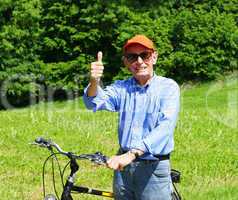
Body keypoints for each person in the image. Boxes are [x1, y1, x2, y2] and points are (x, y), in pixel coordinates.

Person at [83, 35, 180, 200]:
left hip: (153, 169)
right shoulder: (121, 88)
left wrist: (131, 155)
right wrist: (94, 81)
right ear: (126, 62)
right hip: (123, 170)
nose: (139, 61)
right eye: (132, 57)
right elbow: (93, 101)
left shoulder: (168, 87)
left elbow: (165, 128)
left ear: (154, 57)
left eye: (145, 55)